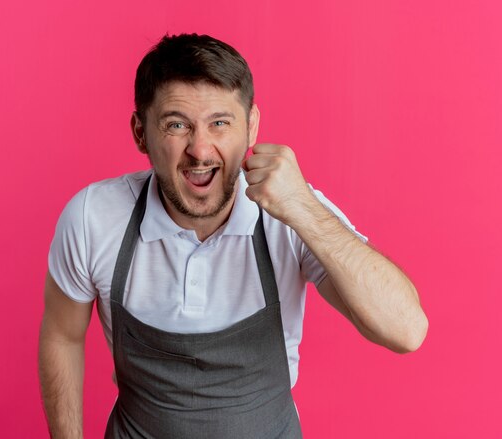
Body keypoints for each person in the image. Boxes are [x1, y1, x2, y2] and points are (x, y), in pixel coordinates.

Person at [38, 33, 428, 439]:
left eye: (220, 123)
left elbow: (405, 331)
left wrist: (306, 211)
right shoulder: (93, 217)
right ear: (141, 132)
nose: (200, 149)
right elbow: (62, 337)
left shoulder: (295, 213)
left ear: (251, 126)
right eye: (177, 125)